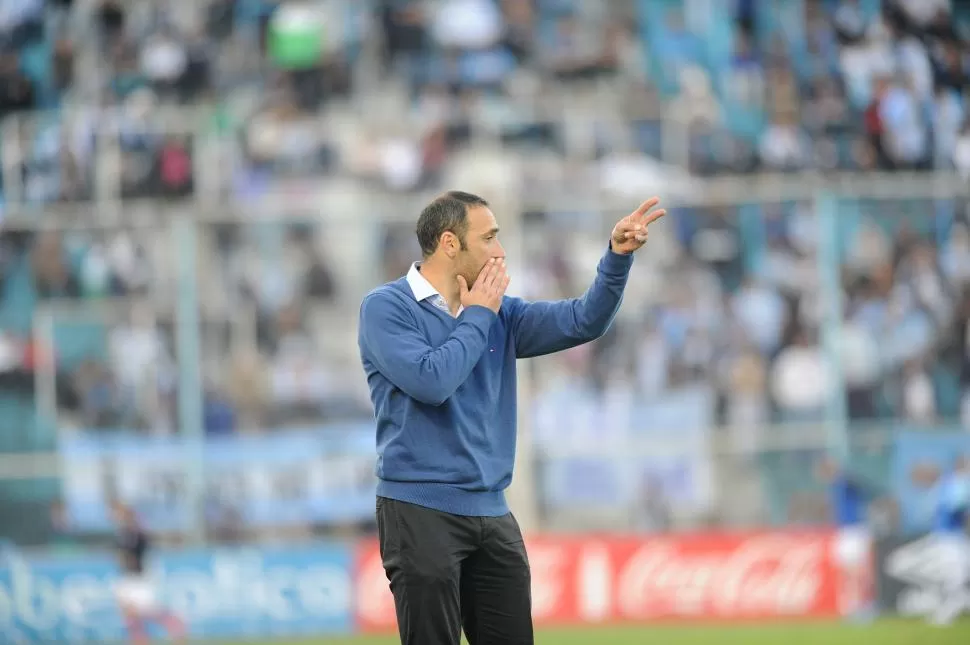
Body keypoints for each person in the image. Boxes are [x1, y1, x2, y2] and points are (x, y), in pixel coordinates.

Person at [357, 190, 665, 645]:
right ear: (449, 243)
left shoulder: (502, 313)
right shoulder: (386, 308)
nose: (500, 251)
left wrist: (616, 259)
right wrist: (479, 314)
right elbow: (433, 382)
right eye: (489, 238)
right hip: (419, 510)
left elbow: (584, 321)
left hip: (491, 511)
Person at [111, 502, 186, 644]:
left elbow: (137, 556)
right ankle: (140, 640)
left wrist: (127, 558)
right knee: (129, 612)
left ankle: (174, 623)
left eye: (118, 514)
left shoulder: (136, 534)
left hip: (139, 577)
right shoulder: (123, 533)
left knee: (143, 611)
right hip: (128, 576)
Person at [817, 456, 880, 619]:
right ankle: (853, 605)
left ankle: (867, 606)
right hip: (844, 531)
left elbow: (861, 486)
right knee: (847, 572)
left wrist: (841, 472)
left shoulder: (845, 481)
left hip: (856, 530)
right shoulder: (834, 486)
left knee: (860, 571)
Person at [930, 455, 970, 626]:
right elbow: (957, 508)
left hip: (954, 536)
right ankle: (944, 614)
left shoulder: (951, 482)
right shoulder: (957, 483)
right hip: (949, 537)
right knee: (956, 576)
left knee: (960, 574)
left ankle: (947, 611)